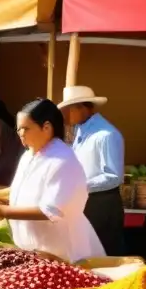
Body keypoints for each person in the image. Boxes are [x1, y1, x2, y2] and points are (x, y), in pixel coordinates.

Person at [0, 98, 104, 262]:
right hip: (35, 252)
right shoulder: (28, 155)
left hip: (64, 252)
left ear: (46, 127)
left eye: (26, 128)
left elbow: (51, 210)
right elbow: (25, 193)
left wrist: (4, 211)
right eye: (18, 129)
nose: (20, 134)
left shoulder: (63, 160)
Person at [57, 86, 125, 256]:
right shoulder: (81, 130)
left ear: (82, 108)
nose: (65, 115)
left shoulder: (106, 135)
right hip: (86, 201)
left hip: (102, 204)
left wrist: (80, 185)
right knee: (86, 254)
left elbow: (113, 177)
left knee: (103, 254)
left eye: (68, 110)